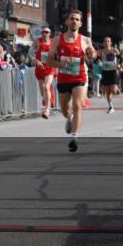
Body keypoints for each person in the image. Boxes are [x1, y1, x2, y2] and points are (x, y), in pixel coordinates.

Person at [46, 9, 96, 152]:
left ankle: (74, 138)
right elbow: (49, 61)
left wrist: (91, 54)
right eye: (72, 19)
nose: (74, 21)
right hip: (63, 78)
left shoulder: (85, 40)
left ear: (80, 23)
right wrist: (60, 64)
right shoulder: (57, 39)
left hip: (80, 77)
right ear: (67, 21)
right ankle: (69, 118)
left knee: (78, 105)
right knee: (65, 111)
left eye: (77, 19)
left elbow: (93, 55)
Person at [33, 26, 57, 118]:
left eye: (47, 32)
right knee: (43, 92)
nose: (44, 34)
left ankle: (47, 110)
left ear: (49, 34)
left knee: (46, 87)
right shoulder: (37, 42)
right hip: (40, 69)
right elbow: (30, 53)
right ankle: (47, 101)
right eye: (43, 32)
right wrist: (36, 61)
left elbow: (58, 53)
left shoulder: (53, 42)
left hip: (50, 68)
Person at [99, 37, 120, 113]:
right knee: (108, 92)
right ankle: (111, 106)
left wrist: (119, 65)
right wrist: (99, 62)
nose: (107, 42)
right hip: (105, 72)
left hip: (113, 71)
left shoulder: (114, 50)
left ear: (110, 43)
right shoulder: (101, 51)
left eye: (108, 41)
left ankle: (116, 88)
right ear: (103, 43)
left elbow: (120, 57)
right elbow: (95, 57)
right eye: (105, 41)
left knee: (113, 91)